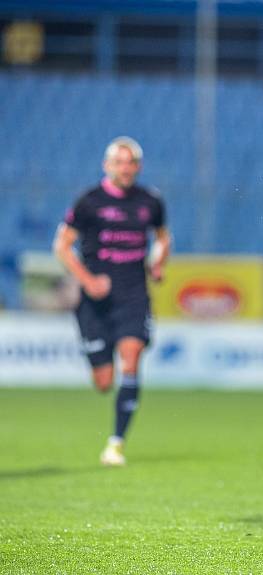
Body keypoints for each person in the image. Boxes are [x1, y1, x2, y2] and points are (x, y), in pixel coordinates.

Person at [53, 137, 170, 467]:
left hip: (133, 295)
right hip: (95, 302)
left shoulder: (151, 201)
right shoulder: (89, 202)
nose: (125, 168)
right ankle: (106, 386)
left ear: (138, 166)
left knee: (131, 359)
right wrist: (88, 281)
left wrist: (159, 262)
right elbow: (62, 246)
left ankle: (116, 444)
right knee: (104, 382)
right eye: (119, 162)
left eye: (131, 162)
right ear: (107, 166)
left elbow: (162, 238)